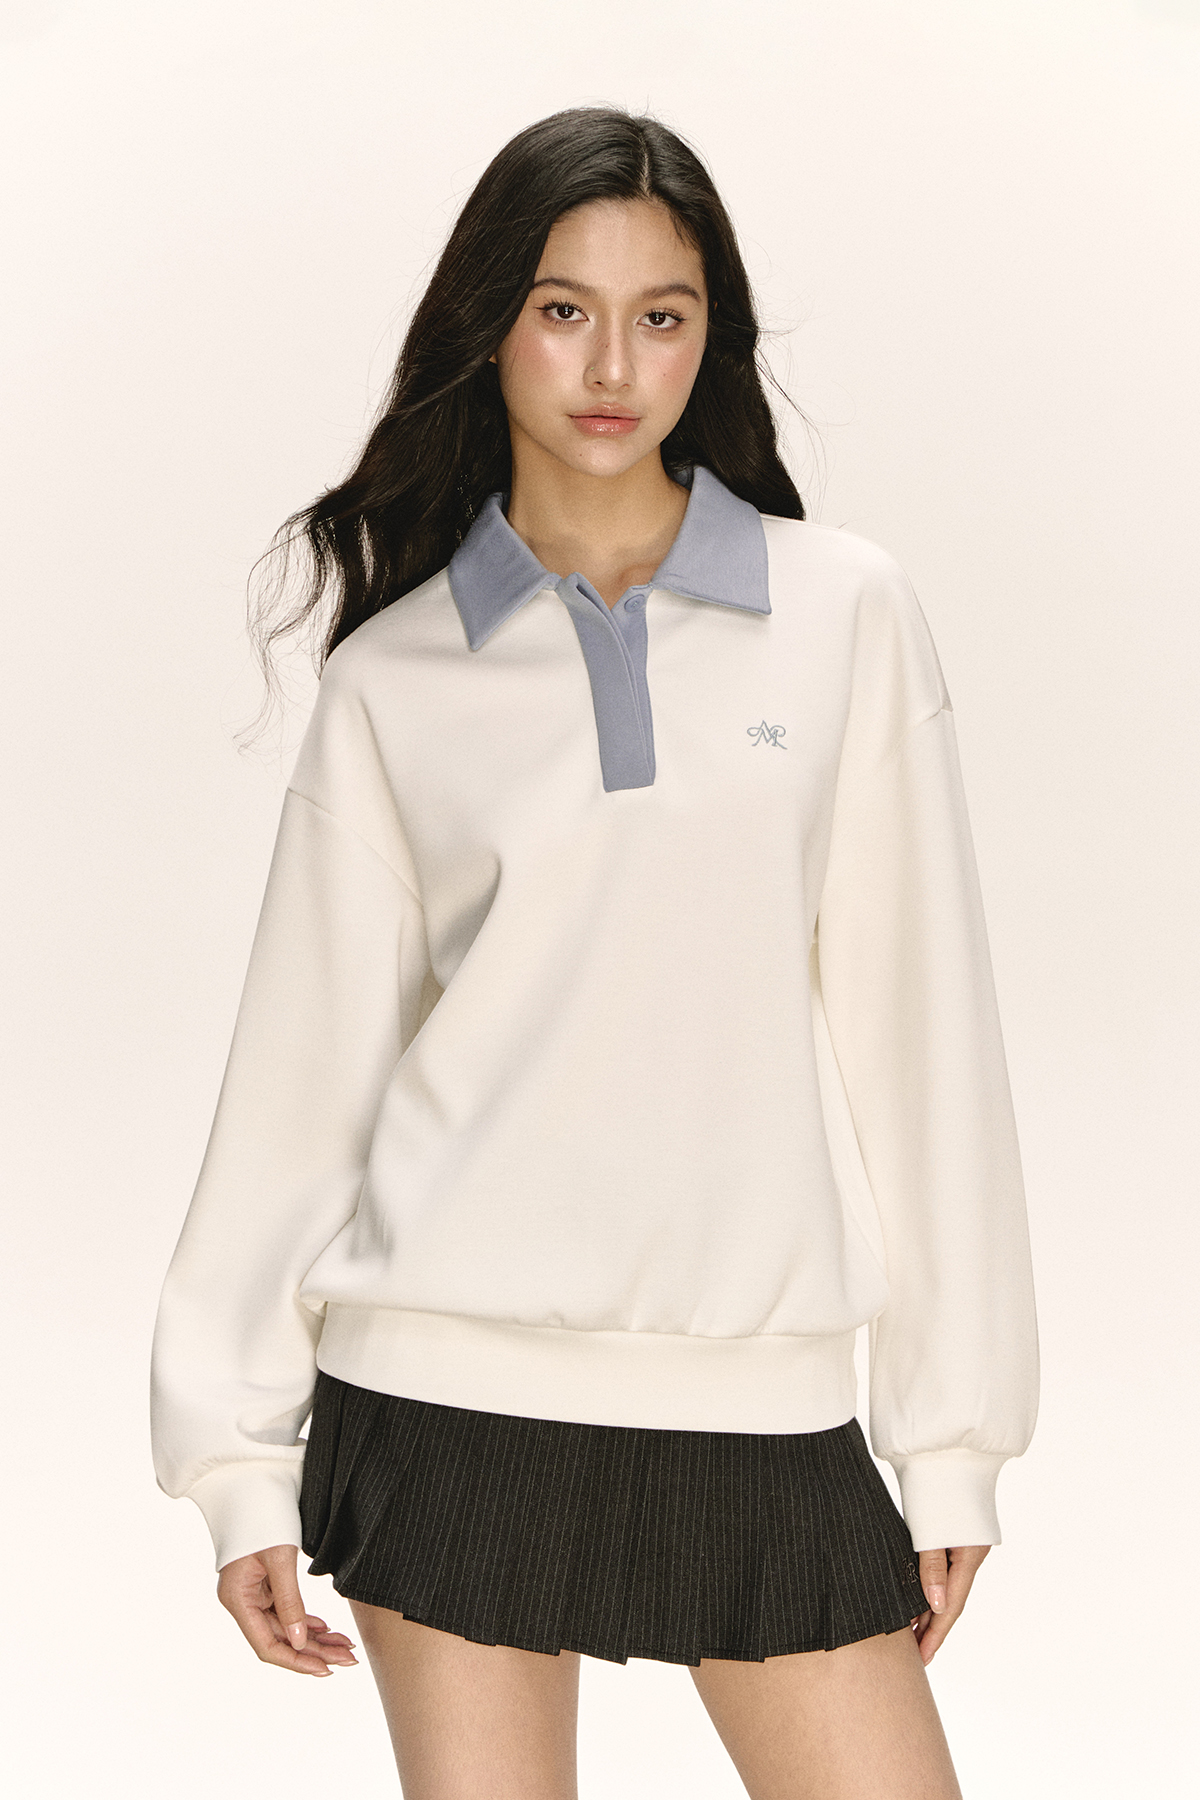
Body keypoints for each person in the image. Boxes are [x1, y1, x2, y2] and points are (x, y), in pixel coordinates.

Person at [151, 107, 1038, 1799]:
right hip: (441, 1397)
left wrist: (952, 1439)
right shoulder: (398, 680)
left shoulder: (844, 614)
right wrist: (235, 1458)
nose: (613, 365)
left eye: (662, 314)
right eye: (563, 309)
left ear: (714, 339)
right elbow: (298, 1090)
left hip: (761, 1405)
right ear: (490, 324)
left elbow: (927, 1048)